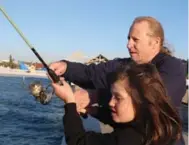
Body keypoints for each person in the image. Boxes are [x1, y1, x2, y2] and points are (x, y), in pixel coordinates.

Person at [49, 16, 186, 144]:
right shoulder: (124, 65)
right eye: (128, 38)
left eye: (135, 39)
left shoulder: (173, 67)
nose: (128, 44)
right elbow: (92, 73)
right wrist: (66, 67)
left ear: (155, 42)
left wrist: (94, 96)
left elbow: (153, 98)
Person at [51, 63, 182, 145]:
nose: (110, 102)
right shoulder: (159, 125)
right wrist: (93, 111)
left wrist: (70, 102)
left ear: (141, 101)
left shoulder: (128, 140)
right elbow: (125, 123)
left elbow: (78, 141)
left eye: (118, 97)